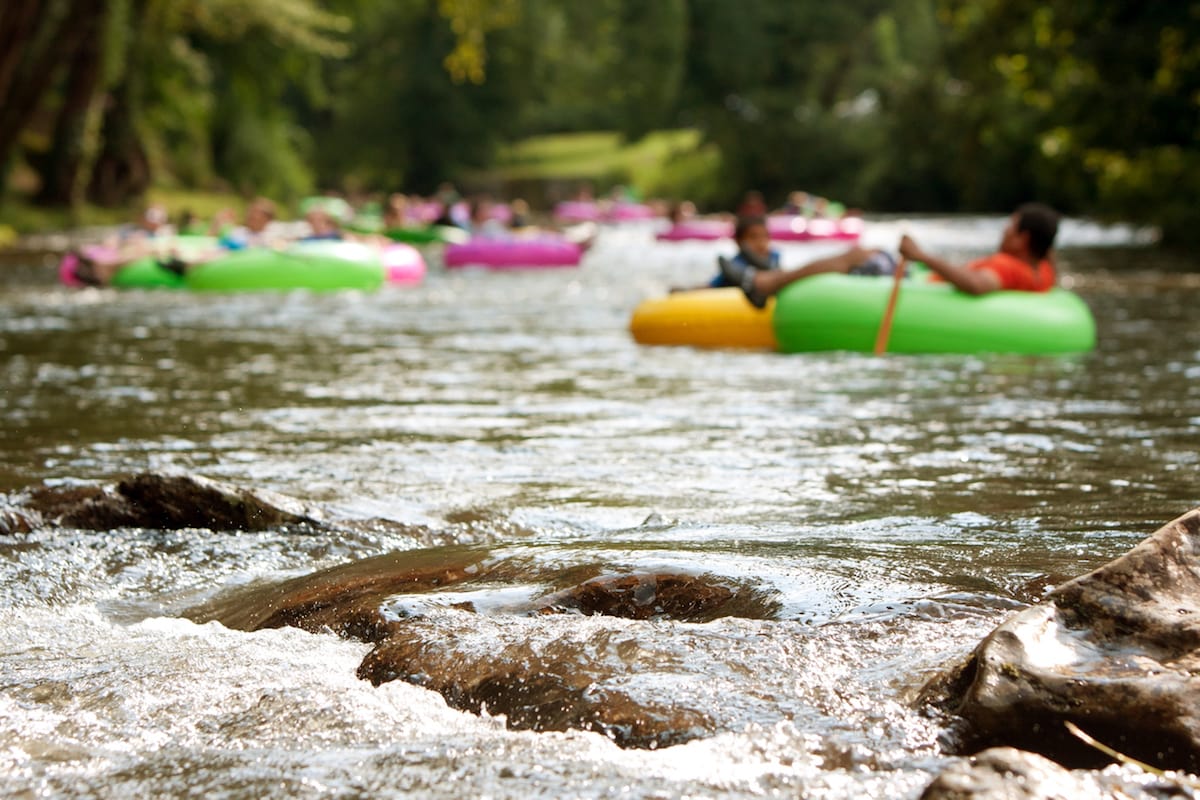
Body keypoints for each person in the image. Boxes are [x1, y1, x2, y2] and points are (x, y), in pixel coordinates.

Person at [714, 215, 881, 308]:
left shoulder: (773, 257)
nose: (761, 243)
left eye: (765, 237)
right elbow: (714, 287)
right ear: (738, 241)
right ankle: (753, 282)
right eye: (753, 238)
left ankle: (759, 282)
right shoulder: (734, 264)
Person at [898, 202, 1059, 295]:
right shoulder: (1045, 271)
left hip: (921, 283)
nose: (1004, 230)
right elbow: (1047, 248)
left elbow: (977, 284)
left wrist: (920, 255)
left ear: (1023, 239)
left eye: (1011, 225)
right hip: (923, 276)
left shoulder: (1007, 267)